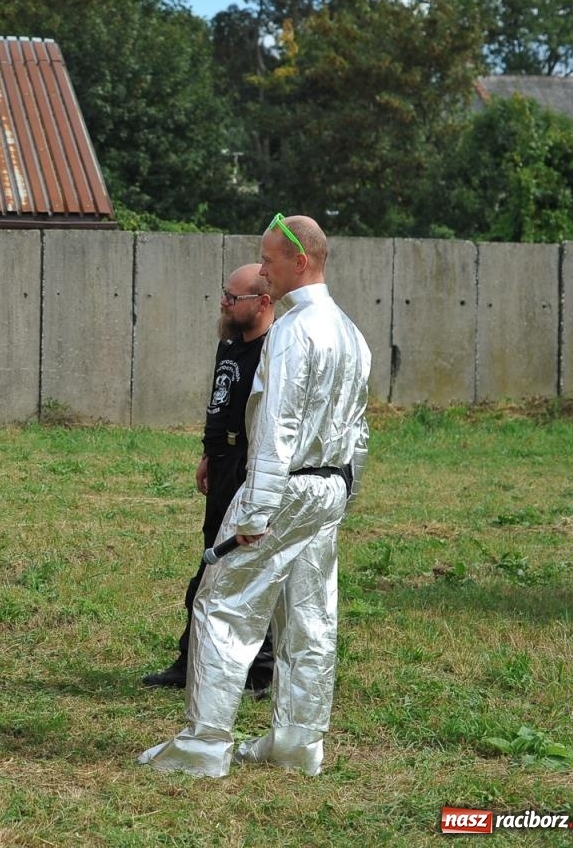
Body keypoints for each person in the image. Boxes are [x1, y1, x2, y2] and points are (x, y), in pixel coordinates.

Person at [139, 214, 370, 778]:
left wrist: (256, 509)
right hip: (328, 487)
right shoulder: (350, 333)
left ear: (301, 261)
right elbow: (359, 427)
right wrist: (347, 489)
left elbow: (276, 425)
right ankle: (297, 744)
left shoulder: (293, 330)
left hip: (285, 487)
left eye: (268, 260)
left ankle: (204, 746)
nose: (262, 271)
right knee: (309, 616)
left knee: (221, 603)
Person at [142, 264, 275, 696]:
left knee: (251, 564)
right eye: (225, 293)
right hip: (223, 461)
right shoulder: (229, 345)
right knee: (211, 558)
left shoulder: (276, 351)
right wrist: (209, 453)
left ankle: (261, 670)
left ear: (262, 302)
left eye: (233, 298)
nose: (224, 302)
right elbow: (220, 402)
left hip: (253, 467)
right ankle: (191, 660)